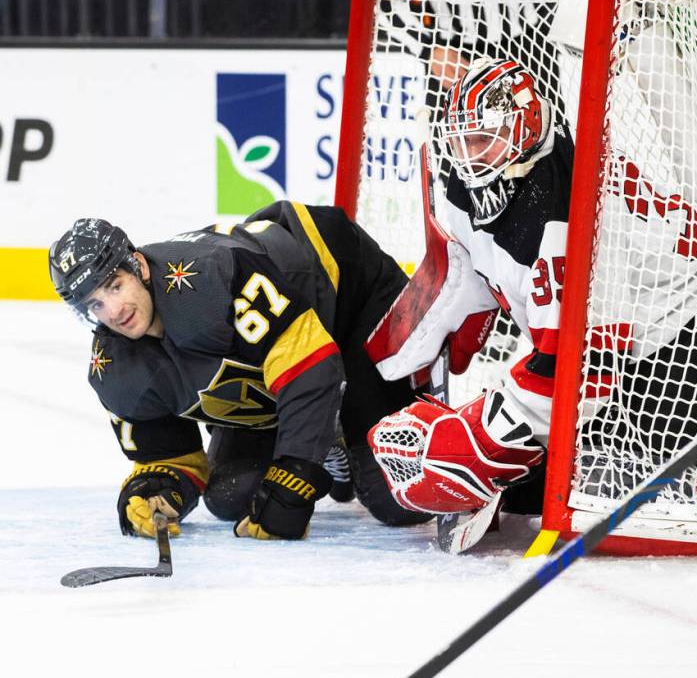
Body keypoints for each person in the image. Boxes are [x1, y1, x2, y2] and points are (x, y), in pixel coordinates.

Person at [363, 58, 697, 552]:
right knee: (551, 470)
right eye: (463, 140)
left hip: (693, 327)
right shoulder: (485, 179)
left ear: (526, 128)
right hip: (627, 330)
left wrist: (475, 440)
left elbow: (577, 372)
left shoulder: (562, 220)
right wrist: (390, 366)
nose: (470, 157)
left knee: (632, 491)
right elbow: (467, 268)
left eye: (484, 139)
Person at [48, 201, 432, 541]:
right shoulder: (114, 365)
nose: (114, 312)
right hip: (275, 356)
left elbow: (311, 367)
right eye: (95, 304)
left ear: (140, 266)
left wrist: (295, 474)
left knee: (400, 498)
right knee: (232, 495)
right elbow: (171, 456)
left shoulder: (209, 286)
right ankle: (329, 435)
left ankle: (351, 423)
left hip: (346, 297)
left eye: (115, 286)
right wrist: (155, 490)